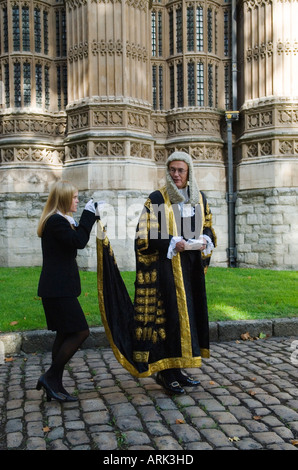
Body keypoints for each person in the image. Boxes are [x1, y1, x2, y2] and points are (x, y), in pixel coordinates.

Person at [96, 151, 216, 395]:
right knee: (169, 320)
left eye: (181, 170)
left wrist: (205, 239)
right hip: (166, 270)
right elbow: (147, 235)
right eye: (172, 170)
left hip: (190, 271)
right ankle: (165, 373)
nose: (176, 174)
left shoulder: (199, 198)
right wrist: (174, 242)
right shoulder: (159, 199)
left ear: (189, 171)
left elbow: (208, 227)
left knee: (188, 319)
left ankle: (178, 369)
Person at [36, 180, 99, 402]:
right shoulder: (56, 222)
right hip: (57, 290)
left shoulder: (60, 221)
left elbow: (73, 243)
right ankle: (50, 377)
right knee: (81, 331)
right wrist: (88, 216)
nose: (77, 201)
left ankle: (55, 384)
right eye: (74, 197)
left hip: (59, 288)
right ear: (63, 199)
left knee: (64, 335)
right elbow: (79, 241)